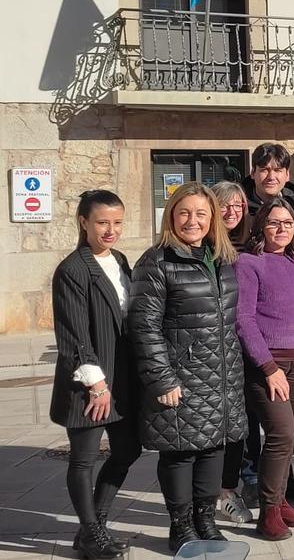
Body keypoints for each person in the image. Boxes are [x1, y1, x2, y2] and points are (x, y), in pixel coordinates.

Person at [128, 182, 248, 553]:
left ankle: (206, 521)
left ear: (212, 218)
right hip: (180, 377)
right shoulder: (157, 261)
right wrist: (161, 378)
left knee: (214, 449)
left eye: (201, 213)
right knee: (180, 453)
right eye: (184, 213)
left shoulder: (221, 258)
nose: (192, 221)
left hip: (221, 374)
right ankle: (181, 526)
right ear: (171, 217)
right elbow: (144, 325)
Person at [50, 190, 142, 559]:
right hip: (89, 384)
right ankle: (91, 533)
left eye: (117, 222)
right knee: (84, 460)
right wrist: (96, 383)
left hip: (120, 379)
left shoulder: (119, 259)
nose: (110, 230)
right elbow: (73, 334)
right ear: (84, 222)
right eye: (102, 222)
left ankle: (95, 523)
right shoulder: (72, 269)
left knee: (127, 449)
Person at [236, 198, 294, 540]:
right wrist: (268, 366)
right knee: (279, 435)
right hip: (269, 364)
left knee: (288, 435)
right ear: (261, 226)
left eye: (288, 224)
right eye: (274, 223)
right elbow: (243, 320)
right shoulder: (248, 263)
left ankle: (282, 501)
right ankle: (268, 512)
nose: (281, 229)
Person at [210, 180, 256, 523]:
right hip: (210, 350)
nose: (231, 212)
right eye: (224, 205)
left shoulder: (251, 245)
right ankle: (212, 492)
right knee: (213, 424)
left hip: (243, 347)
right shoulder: (204, 245)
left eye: (238, 206)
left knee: (240, 422)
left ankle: (230, 489)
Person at [241, 143, 294, 217]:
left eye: (277, 170)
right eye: (264, 170)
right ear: (253, 173)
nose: (271, 177)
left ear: (287, 175)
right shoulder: (237, 209)